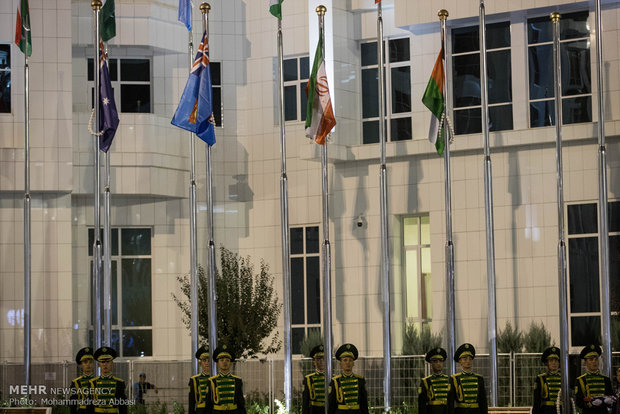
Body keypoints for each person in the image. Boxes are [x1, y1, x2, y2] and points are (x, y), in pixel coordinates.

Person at [327, 343, 369, 414]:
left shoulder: (360, 380)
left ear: (353, 363)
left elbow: (364, 404)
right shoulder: (335, 381)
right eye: (345, 360)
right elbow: (331, 405)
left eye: (350, 360)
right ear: (340, 363)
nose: (348, 363)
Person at [206, 345, 246, 414]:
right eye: (221, 360)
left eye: (227, 360)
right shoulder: (212, 381)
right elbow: (208, 405)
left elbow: (241, 404)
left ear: (230, 363)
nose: (224, 362)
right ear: (217, 363)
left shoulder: (237, 381)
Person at [575, 345, 614, 414]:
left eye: (596, 359)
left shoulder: (606, 379)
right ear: (585, 362)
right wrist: (591, 404)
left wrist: (609, 401)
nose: (594, 362)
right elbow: (578, 402)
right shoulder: (580, 380)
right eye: (591, 359)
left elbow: (611, 396)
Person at [88, 347, 128, 414]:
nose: (105, 364)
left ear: (112, 363)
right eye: (102, 362)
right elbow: (89, 406)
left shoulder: (119, 383)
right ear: (99, 364)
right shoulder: (92, 383)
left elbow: (123, 406)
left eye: (108, 361)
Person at [451, 343, 487, 414]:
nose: (468, 361)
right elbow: (451, 402)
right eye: (465, 359)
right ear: (460, 361)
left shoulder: (479, 378)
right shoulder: (454, 379)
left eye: (470, 359)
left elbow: (483, 401)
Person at [419, 347, 454, 414]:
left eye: (440, 361)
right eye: (435, 361)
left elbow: (451, 403)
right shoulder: (426, 381)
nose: (438, 363)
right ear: (431, 364)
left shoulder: (449, 380)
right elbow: (422, 405)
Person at [532, 347, 562, 414]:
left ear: (559, 363)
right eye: (551, 361)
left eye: (556, 360)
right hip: (546, 410)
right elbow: (537, 400)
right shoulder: (541, 378)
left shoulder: (564, 378)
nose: (554, 363)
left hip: (561, 409)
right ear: (547, 363)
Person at [69, 347, 95, 414]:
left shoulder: (98, 381)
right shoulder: (76, 382)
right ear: (81, 365)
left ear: (93, 364)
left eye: (91, 362)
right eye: (85, 362)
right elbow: (73, 404)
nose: (88, 364)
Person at [302, 345, 326, 414]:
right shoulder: (309, 379)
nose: (321, 361)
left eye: (323, 359)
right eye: (318, 359)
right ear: (314, 362)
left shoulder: (333, 378)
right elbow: (305, 402)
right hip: (315, 410)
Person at [189, 345, 211, 414]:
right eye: (204, 361)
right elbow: (191, 403)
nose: (207, 363)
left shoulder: (216, 378)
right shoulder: (194, 380)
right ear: (200, 363)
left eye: (209, 360)